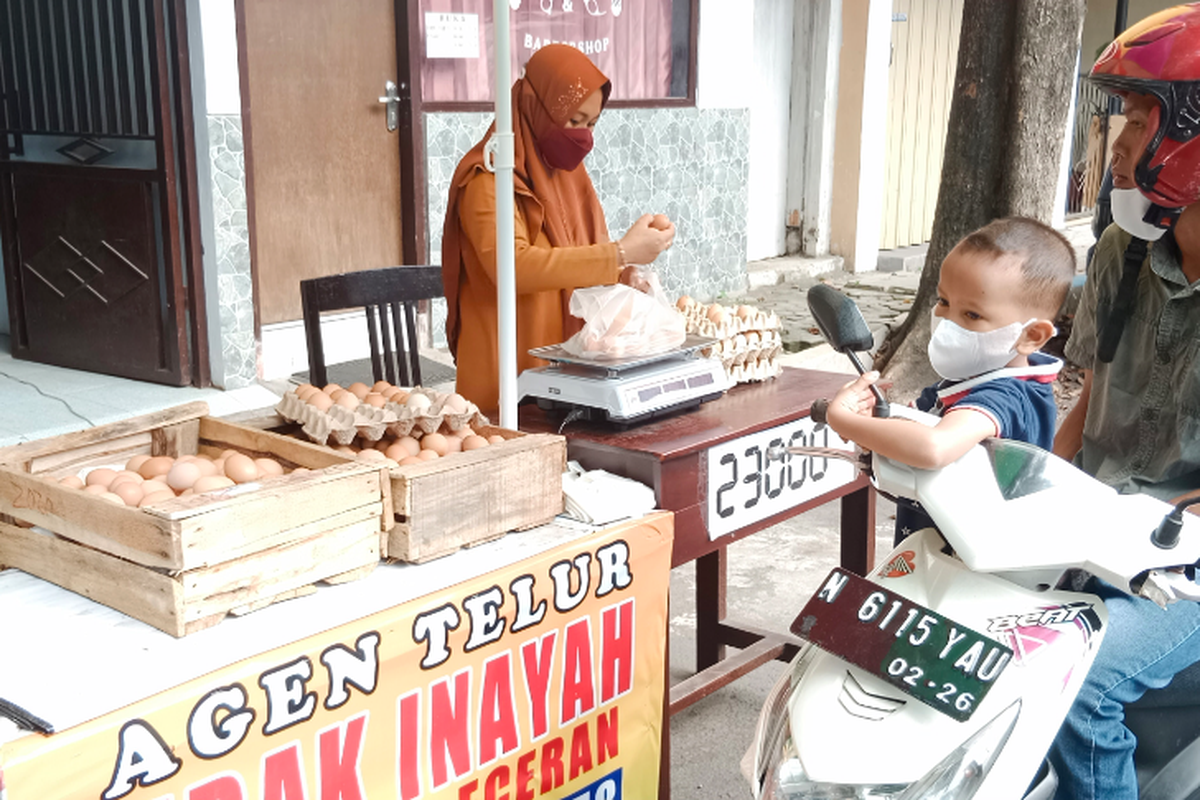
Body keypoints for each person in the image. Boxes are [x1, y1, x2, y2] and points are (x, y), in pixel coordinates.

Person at [1049, 6, 1200, 799]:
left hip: (1186, 561)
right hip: (1099, 523)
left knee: (1078, 687)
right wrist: (1032, 481)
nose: (1119, 140)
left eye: (1142, 117)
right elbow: (1095, 388)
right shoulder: (1122, 251)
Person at [441, 44, 674, 415]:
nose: (582, 136)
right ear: (538, 107)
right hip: (507, 376)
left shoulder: (568, 176)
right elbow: (513, 266)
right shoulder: (488, 179)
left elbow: (584, 257)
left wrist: (628, 272)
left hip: (565, 373)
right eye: (573, 120)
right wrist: (620, 253)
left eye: (592, 123)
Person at [825, 217, 1074, 543]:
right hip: (933, 555)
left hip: (974, 576)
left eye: (971, 314)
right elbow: (911, 444)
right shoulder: (960, 384)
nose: (945, 321)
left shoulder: (1006, 397)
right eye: (944, 302)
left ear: (1032, 336)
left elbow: (934, 447)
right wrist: (871, 424)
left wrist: (839, 416)